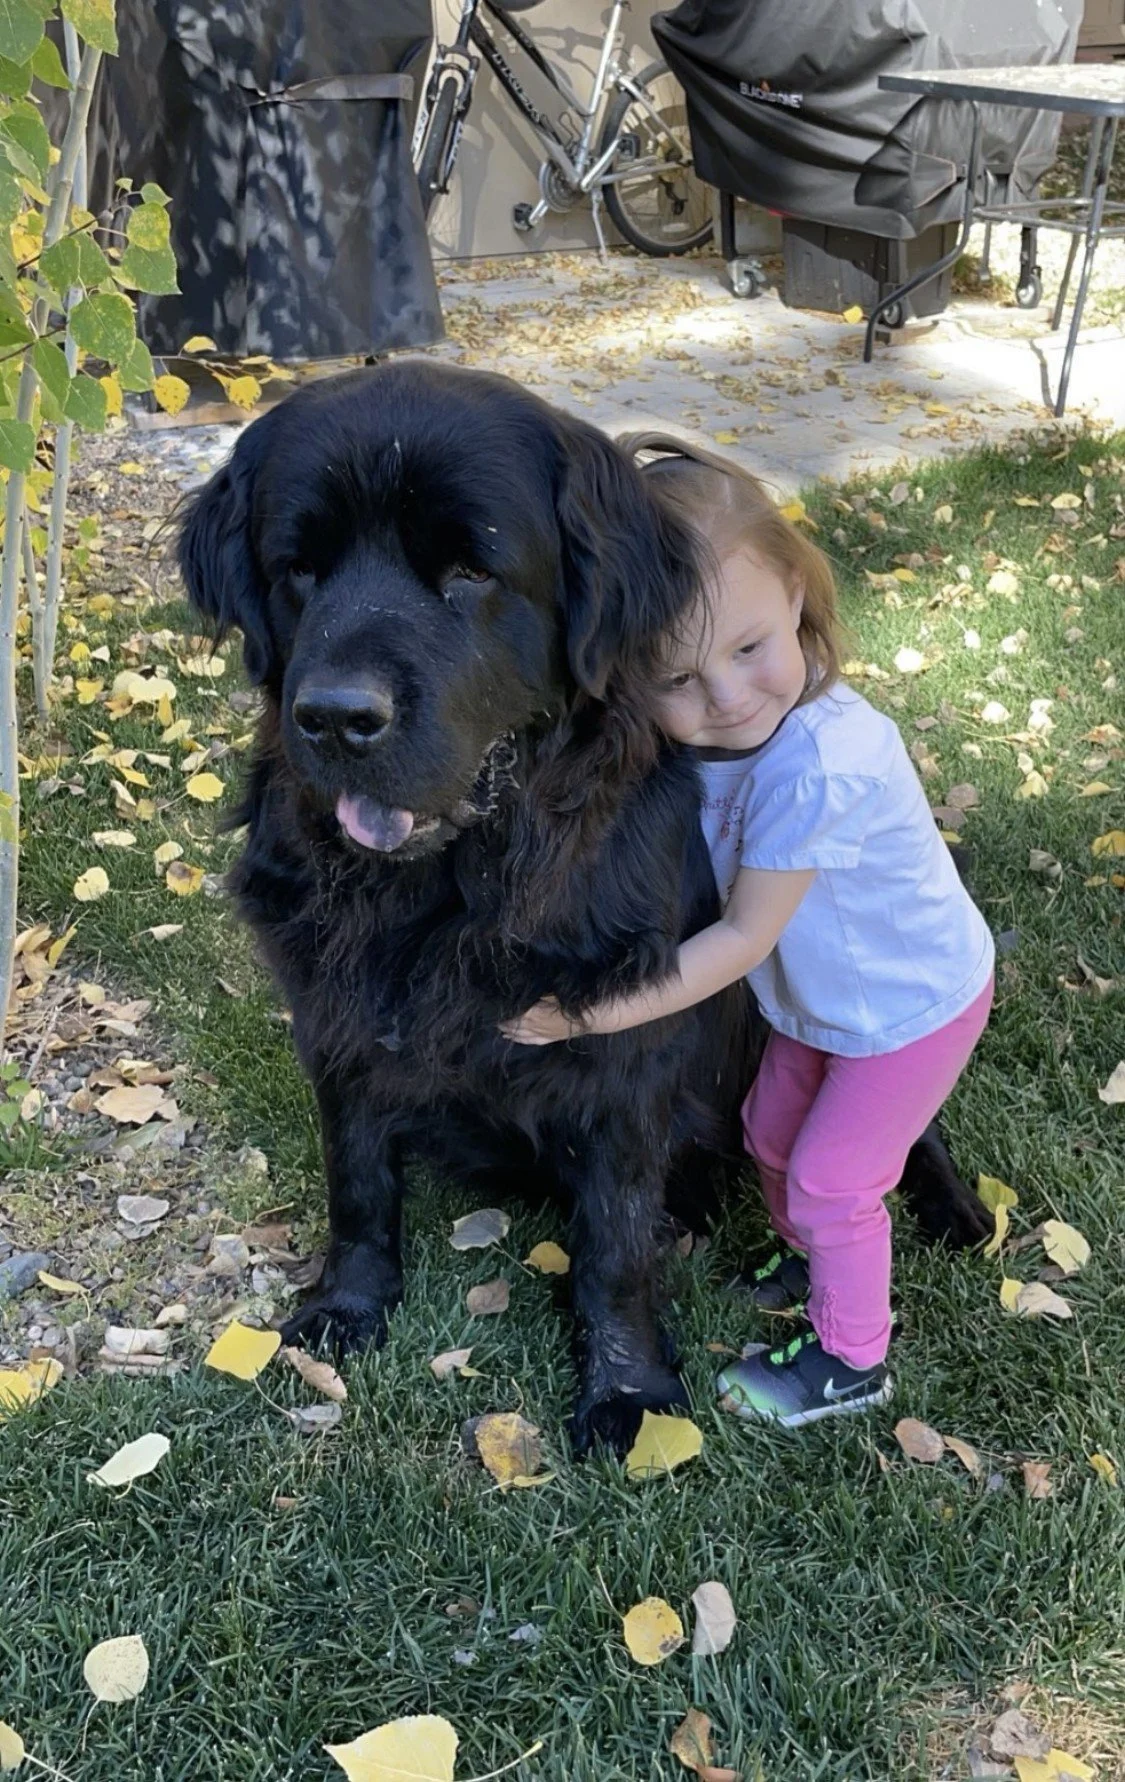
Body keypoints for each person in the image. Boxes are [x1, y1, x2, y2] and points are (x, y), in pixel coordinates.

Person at [501, 434, 995, 1430]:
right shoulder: (738, 727)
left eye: (749, 650)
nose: (726, 700)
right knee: (769, 1135)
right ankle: (818, 1257)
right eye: (677, 681)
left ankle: (852, 1356)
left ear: (801, 601)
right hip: (823, 1004)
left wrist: (580, 1019)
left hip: (907, 1008)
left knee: (827, 1177)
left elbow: (738, 942)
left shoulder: (817, 763)